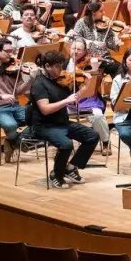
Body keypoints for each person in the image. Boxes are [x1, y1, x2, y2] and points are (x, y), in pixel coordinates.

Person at [27, 49, 101, 188]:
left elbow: (74, 99)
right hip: (44, 126)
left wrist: (86, 86)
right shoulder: (39, 84)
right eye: (57, 66)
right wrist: (66, 100)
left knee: (92, 136)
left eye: (61, 65)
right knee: (66, 144)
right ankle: (57, 175)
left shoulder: (61, 80)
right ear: (47, 66)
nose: (61, 69)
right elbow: (45, 109)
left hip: (62, 122)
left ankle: (70, 167)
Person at [66, 38, 112, 159]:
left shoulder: (90, 62)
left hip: (88, 99)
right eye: (73, 48)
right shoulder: (65, 63)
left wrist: (95, 69)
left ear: (85, 50)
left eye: (79, 49)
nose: (75, 51)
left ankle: (106, 141)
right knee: (57, 115)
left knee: (98, 116)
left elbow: (96, 81)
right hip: (70, 101)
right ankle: (63, 145)